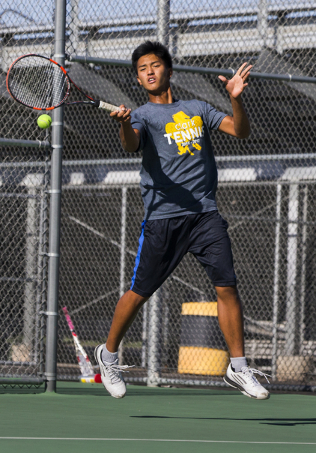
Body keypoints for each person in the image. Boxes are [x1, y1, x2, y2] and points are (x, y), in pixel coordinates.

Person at [94, 41, 270, 400]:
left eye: (155, 65)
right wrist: (125, 125)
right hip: (163, 220)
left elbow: (241, 131)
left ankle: (238, 368)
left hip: (205, 215)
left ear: (168, 71)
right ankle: (108, 354)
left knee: (227, 287)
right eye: (142, 69)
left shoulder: (198, 108)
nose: (149, 72)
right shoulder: (141, 115)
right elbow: (131, 145)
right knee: (139, 292)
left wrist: (236, 97)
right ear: (139, 79)